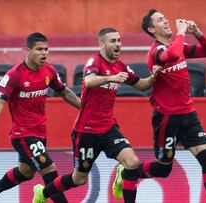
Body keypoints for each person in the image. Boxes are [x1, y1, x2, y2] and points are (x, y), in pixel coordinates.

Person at [32, 27, 160, 203]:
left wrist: (154, 76)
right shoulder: (95, 61)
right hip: (86, 132)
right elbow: (89, 81)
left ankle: (121, 174)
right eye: (113, 41)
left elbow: (142, 85)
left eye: (119, 40)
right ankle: (43, 193)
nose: (118, 44)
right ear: (102, 44)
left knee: (132, 162)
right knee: (79, 179)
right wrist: (111, 78)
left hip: (108, 129)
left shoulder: (120, 66)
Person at [117, 9, 206, 202]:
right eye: (160, 20)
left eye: (165, 18)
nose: (166, 21)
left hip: (189, 114)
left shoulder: (177, 46)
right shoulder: (157, 51)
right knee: (163, 169)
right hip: (167, 117)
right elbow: (173, 55)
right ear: (151, 28)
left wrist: (197, 32)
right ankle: (129, 172)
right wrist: (182, 32)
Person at [0, 32, 81, 203]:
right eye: (39, 49)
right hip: (23, 134)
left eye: (46, 49)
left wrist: (84, 108)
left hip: (40, 132)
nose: (44, 53)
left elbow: (63, 91)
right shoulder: (14, 75)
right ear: (28, 50)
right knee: (50, 170)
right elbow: (0, 100)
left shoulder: (49, 71)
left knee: (25, 172)